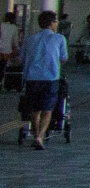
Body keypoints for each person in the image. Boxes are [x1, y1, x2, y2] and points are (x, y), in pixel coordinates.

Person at [20, 10, 66, 149]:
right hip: (51, 78)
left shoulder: (30, 39)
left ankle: (36, 136)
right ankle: (40, 136)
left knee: (34, 109)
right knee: (47, 109)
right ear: (52, 23)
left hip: (32, 78)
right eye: (55, 22)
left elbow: (22, 59)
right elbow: (63, 59)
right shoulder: (59, 38)